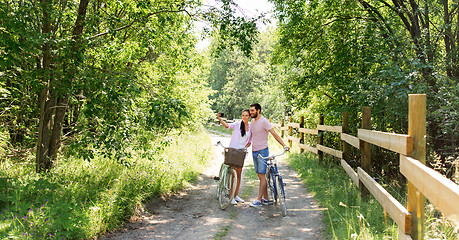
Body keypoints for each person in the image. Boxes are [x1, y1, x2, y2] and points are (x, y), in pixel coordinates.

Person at [248, 103, 289, 207]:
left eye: (253, 110)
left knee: (262, 175)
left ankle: (259, 200)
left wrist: (284, 145)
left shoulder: (264, 121)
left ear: (258, 111)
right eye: (250, 110)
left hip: (263, 151)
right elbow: (251, 136)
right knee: (260, 175)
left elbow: (274, 134)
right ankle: (266, 199)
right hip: (254, 151)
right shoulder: (252, 122)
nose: (251, 112)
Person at [217, 110, 252, 205]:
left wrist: (249, 142)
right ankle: (230, 196)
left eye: (246, 116)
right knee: (233, 174)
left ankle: (236, 195)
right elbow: (227, 125)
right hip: (234, 151)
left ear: (249, 117)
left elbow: (250, 138)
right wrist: (220, 119)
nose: (244, 117)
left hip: (242, 153)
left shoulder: (250, 127)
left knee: (239, 174)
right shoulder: (237, 124)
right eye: (243, 115)